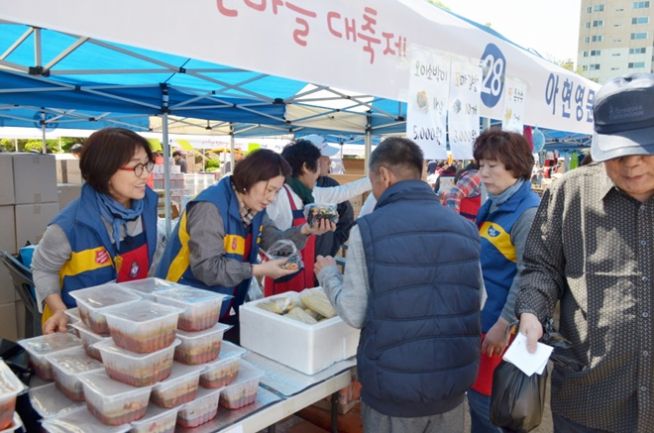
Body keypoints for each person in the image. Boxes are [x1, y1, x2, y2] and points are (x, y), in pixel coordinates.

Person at [516, 73, 654, 433]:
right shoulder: (569, 193)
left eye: (643, 149)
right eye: (618, 154)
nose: (632, 165)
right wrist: (531, 310)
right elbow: (540, 266)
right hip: (590, 399)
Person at [314, 137, 482, 433]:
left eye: (372, 182)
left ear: (384, 176)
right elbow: (477, 300)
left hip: (393, 397)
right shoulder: (465, 228)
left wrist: (328, 274)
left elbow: (354, 313)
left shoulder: (368, 230)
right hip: (452, 392)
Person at [156, 149, 333, 337]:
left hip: (217, 307)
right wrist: (258, 270)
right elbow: (207, 268)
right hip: (182, 307)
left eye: (276, 191)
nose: (272, 198)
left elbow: (273, 241)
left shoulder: (254, 208)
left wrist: (306, 230)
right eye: (269, 189)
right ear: (250, 179)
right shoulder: (210, 208)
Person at [32, 128, 159, 334]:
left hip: (130, 321)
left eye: (147, 165)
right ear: (105, 170)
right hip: (80, 327)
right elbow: (43, 268)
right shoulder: (69, 226)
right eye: (137, 167)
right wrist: (59, 309)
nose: (146, 174)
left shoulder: (147, 207)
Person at [467, 129, 540, 433]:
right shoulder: (495, 204)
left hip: (504, 332)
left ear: (515, 165)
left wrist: (503, 323)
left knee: (491, 411)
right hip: (486, 322)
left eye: (492, 166)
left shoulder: (527, 212)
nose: (483, 173)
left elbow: (530, 274)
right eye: (481, 164)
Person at [265, 137, 370, 296]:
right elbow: (267, 241)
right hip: (283, 277)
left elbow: (344, 192)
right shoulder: (279, 195)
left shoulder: (311, 194)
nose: (319, 174)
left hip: (304, 273)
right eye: (317, 167)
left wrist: (375, 179)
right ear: (306, 167)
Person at [312, 135, 355, 258]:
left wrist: (331, 246)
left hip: (320, 265)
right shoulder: (287, 189)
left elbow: (346, 218)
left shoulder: (330, 185)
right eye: (326, 158)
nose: (329, 162)